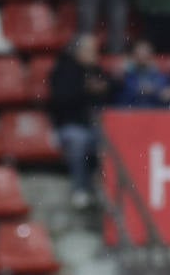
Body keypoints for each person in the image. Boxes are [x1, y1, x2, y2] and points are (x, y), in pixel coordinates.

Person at [47, 33, 119, 209]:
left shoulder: (97, 71)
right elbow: (60, 101)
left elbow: (115, 85)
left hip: (95, 127)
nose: (94, 54)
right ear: (77, 51)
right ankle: (80, 189)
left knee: (108, 143)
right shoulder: (63, 71)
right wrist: (85, 90)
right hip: (69, 125)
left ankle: (104, 190)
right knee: (78, 141)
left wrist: (104, 88)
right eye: (89, 50)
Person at [117, 39, 170, 106]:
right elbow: (126, 92)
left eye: (144, 52)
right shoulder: (125, 75)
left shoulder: (159, 75)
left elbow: (165, 93)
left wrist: (156, 91)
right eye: (139, 53)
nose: (142, 56)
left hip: (153, 110)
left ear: (151, 54)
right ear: (133, 55)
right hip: (130, 110)